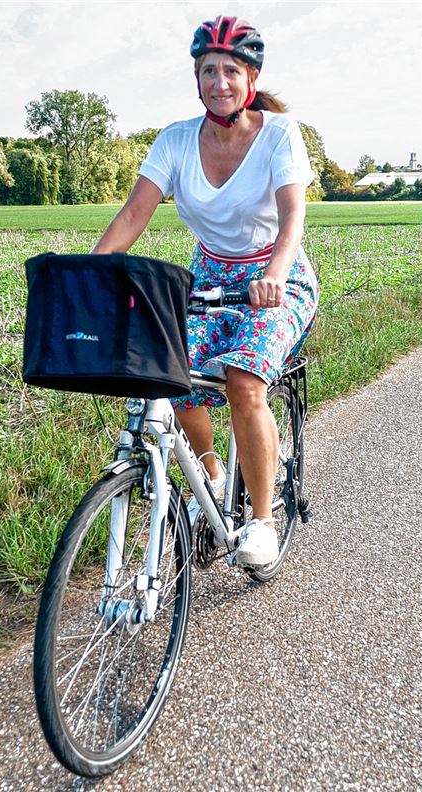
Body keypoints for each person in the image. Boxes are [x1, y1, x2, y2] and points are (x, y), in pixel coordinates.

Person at [92, 15, 319, 566]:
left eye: (232, 71)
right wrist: (90, 274)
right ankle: (214, 475)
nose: (220, 81)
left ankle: (261, 523)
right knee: (169, 375)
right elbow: (133, 214)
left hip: (275, 278)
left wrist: (274, 274)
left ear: (251, 77)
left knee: (243, 380)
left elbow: (293, 216)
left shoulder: (279, 135)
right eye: (209, 70)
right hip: (211, 278)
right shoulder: (175, 141)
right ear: (197, 78)